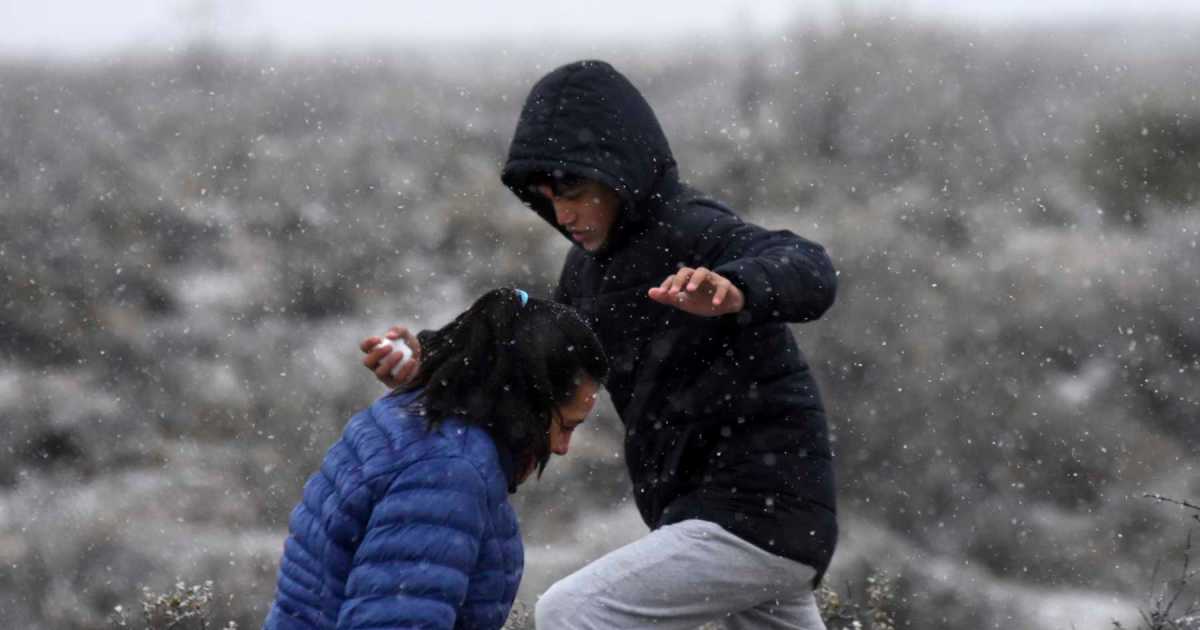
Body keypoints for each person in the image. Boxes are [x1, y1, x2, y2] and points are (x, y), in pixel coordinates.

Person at [365, 60, 839, 630]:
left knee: (573, 611)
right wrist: (429, 364)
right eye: (547, 197)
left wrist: (737, 289)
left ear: (621, 174)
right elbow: (527, 357)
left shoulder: (693, 229)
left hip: (757, 513)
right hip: (731, 519)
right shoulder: (585, 272)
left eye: (575, 192)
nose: (562, 214)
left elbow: (810, 266)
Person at [266, 288, 608, 630]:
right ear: (528, 401)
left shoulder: (417, 416)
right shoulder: (448, 471)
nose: (562, 447)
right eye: (565, 426)